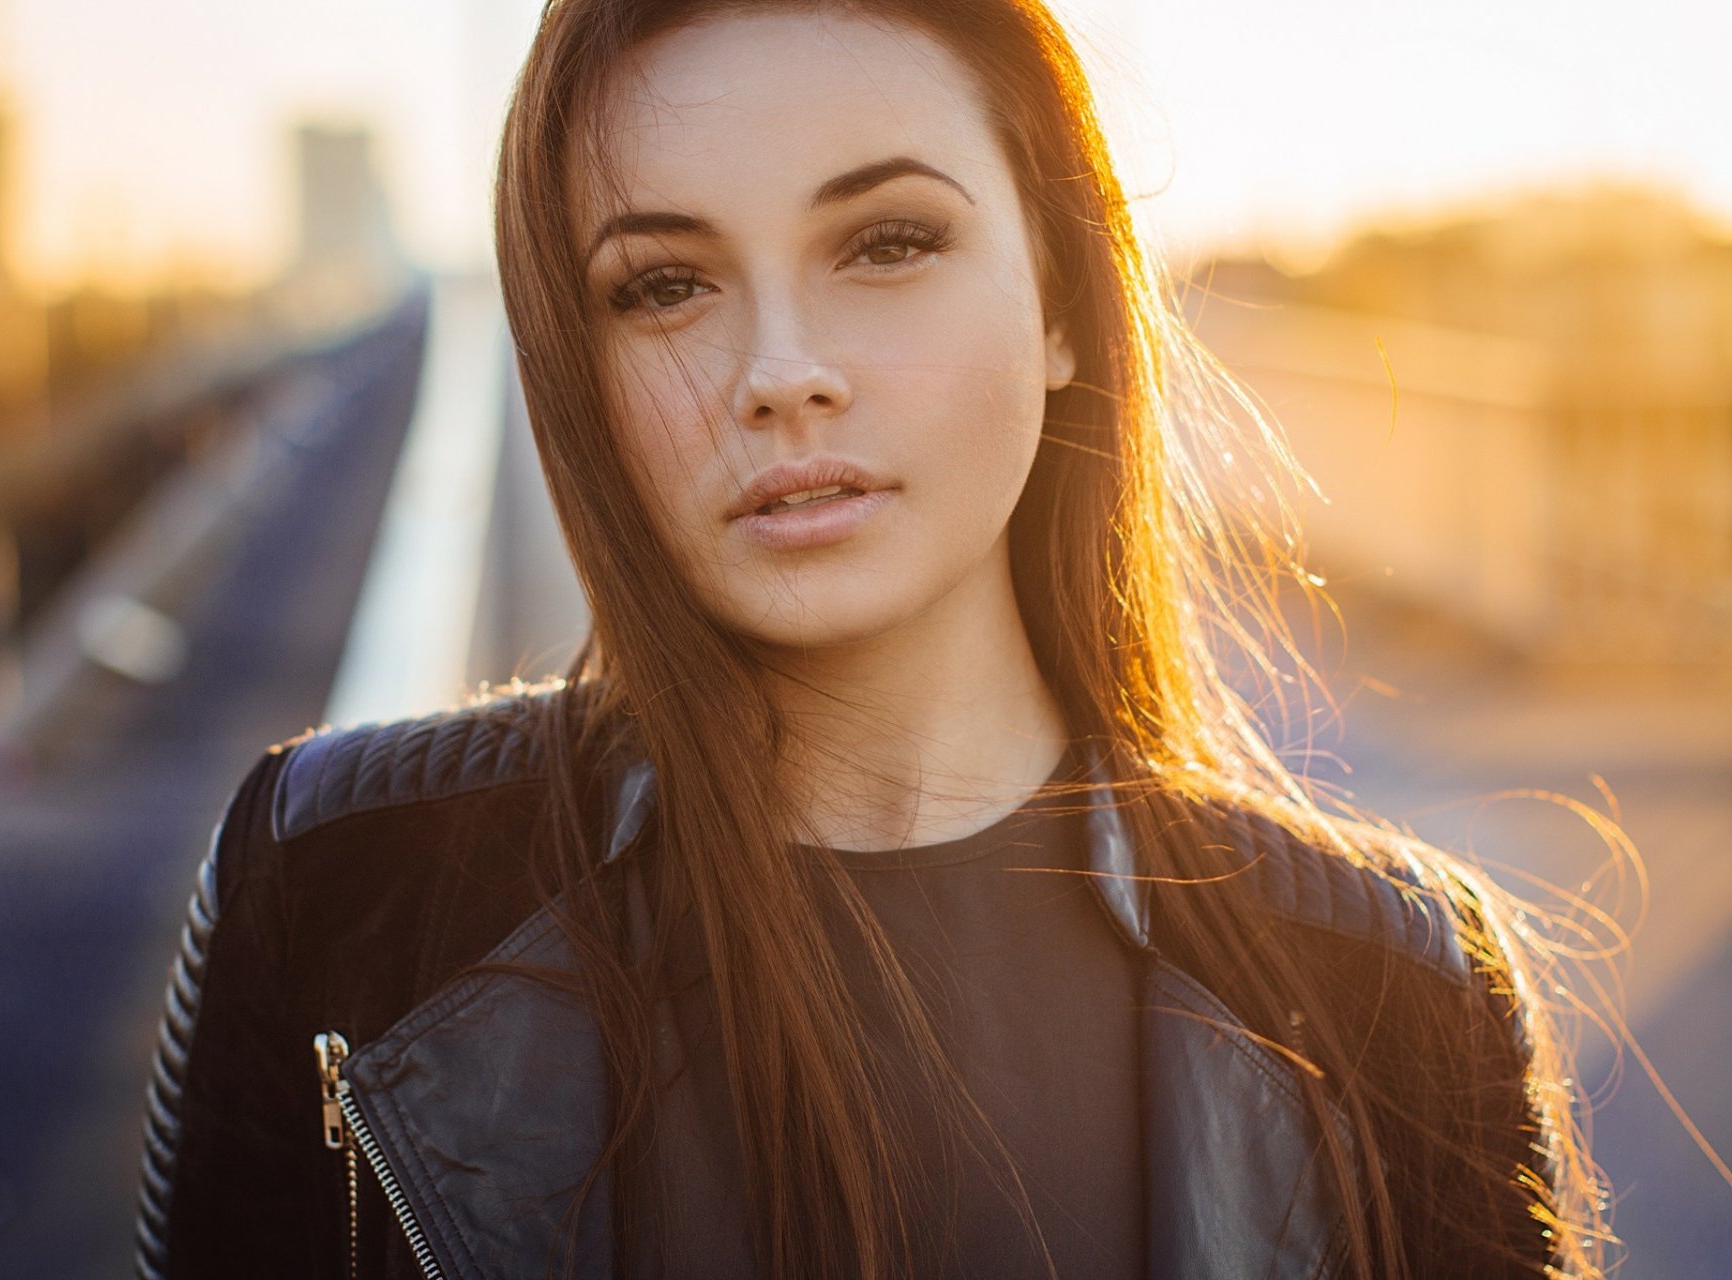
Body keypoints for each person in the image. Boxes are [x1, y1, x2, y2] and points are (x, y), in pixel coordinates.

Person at [135, 1, 1611, 1276]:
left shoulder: (1398, 994)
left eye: (887, 243)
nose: (780, 375)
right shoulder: (335, 895)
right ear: (574, 366)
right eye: (666, 284)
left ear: (1063, 305)